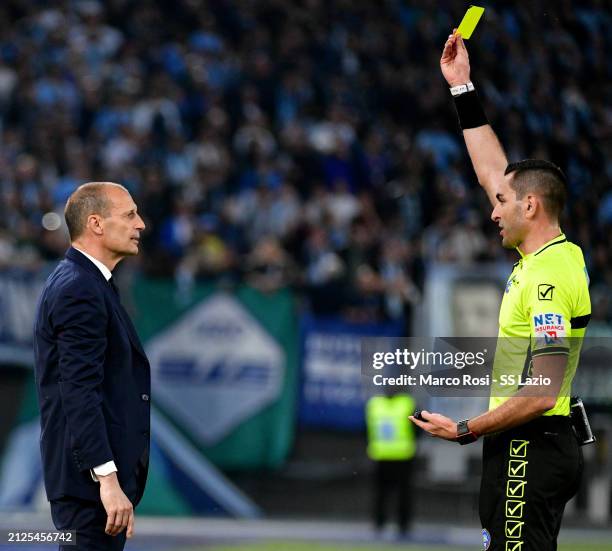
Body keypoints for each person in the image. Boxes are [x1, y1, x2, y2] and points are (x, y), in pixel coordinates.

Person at [409, 31, 591, 551]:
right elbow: (495, 171)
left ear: (530, 207)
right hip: (524, 448)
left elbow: (542, 392)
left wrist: (465, 429)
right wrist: (462, 87)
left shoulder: (548, 279)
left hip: (532, 448)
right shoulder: (548, 257)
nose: (492, 209)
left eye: (503, 202)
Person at [33, 182, 150, 550]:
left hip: (90, 488)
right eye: (130, 214)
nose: (141, 224)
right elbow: (79, 391)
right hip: (90, 490)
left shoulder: (89, 282)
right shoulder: (80, 288)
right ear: (96, 224)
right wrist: (108, 479)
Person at [366, 391, 416, 537]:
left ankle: (384, 523)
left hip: (387, 454)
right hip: (400, 454)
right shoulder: (407, 403)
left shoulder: (375, 404)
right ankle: (398, 524)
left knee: (387, 493)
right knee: (395, 493)